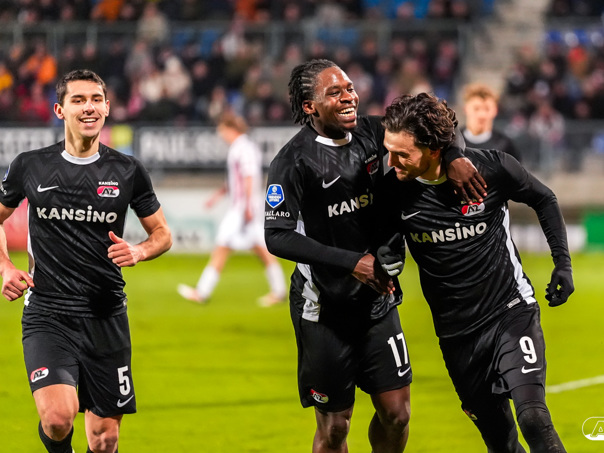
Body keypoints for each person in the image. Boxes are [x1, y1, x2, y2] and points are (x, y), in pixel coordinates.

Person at [263, 59, 486, 453]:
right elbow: (277, 236)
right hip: (324, 308)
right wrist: (352, 262)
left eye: (349, 88)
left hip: (378, 301)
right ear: (310, 106)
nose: (349, 97)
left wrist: (454, 156)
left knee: (397, 415)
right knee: (335, 428)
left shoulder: (373, 132)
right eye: (335, 92)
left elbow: (436, 125)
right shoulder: (292, 161)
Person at [377, 92, 573, 452]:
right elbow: (386, 241)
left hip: (510, 311)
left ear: (434, 150)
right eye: (389, 151)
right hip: (456, 336)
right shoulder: (393, 191)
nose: (391, 161)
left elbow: (544, 198)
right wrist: (387, 260)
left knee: (533, 418)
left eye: (402, 154)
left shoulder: (492, 168)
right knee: (500, 443)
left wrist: (562, 263)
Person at [0, 69, 172, 453]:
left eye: (96, 99)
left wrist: (140, 250)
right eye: (78, 100)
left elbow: (162, 233)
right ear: (60, 110)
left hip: (106, 315)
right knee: (57, 418)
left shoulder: (128, 170)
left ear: (108, 107)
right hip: (48, 313)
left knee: (105, 439)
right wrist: (6, 266)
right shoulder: (31, 165)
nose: (89, 107)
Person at [177, 111, 286, 306]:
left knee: (222, 246)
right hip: (244, 207)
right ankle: (279, 290)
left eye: (221, 130)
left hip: (242, 208)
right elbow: (235, 180)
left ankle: (202, 292)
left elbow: (249, 177)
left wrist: (247, 206)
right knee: (260, 248)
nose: (220, 135)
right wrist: (217, 196)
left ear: (230, 128)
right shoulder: (241, 147)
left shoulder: (243, 148)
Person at [461, 82, 522, 162]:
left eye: (487, 109)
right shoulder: (453, 143)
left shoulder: (505, 146)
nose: (482, 115)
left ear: (495, 110)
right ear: (465, 109)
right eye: (476, 108)